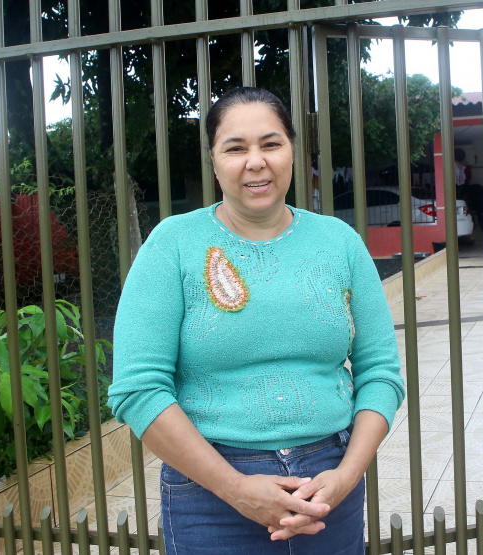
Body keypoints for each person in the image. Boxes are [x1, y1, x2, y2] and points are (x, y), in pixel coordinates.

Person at [108, 87, 405, 555]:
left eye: (270, 143)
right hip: (210, 491)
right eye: (235, 148)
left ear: (293, 150)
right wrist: (235, 488)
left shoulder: (340, 244)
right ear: (213, 160)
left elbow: (381, 374)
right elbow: (137, 388)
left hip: (328, 486)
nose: (255, 162)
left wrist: (346, 476)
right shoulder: (174, 245)